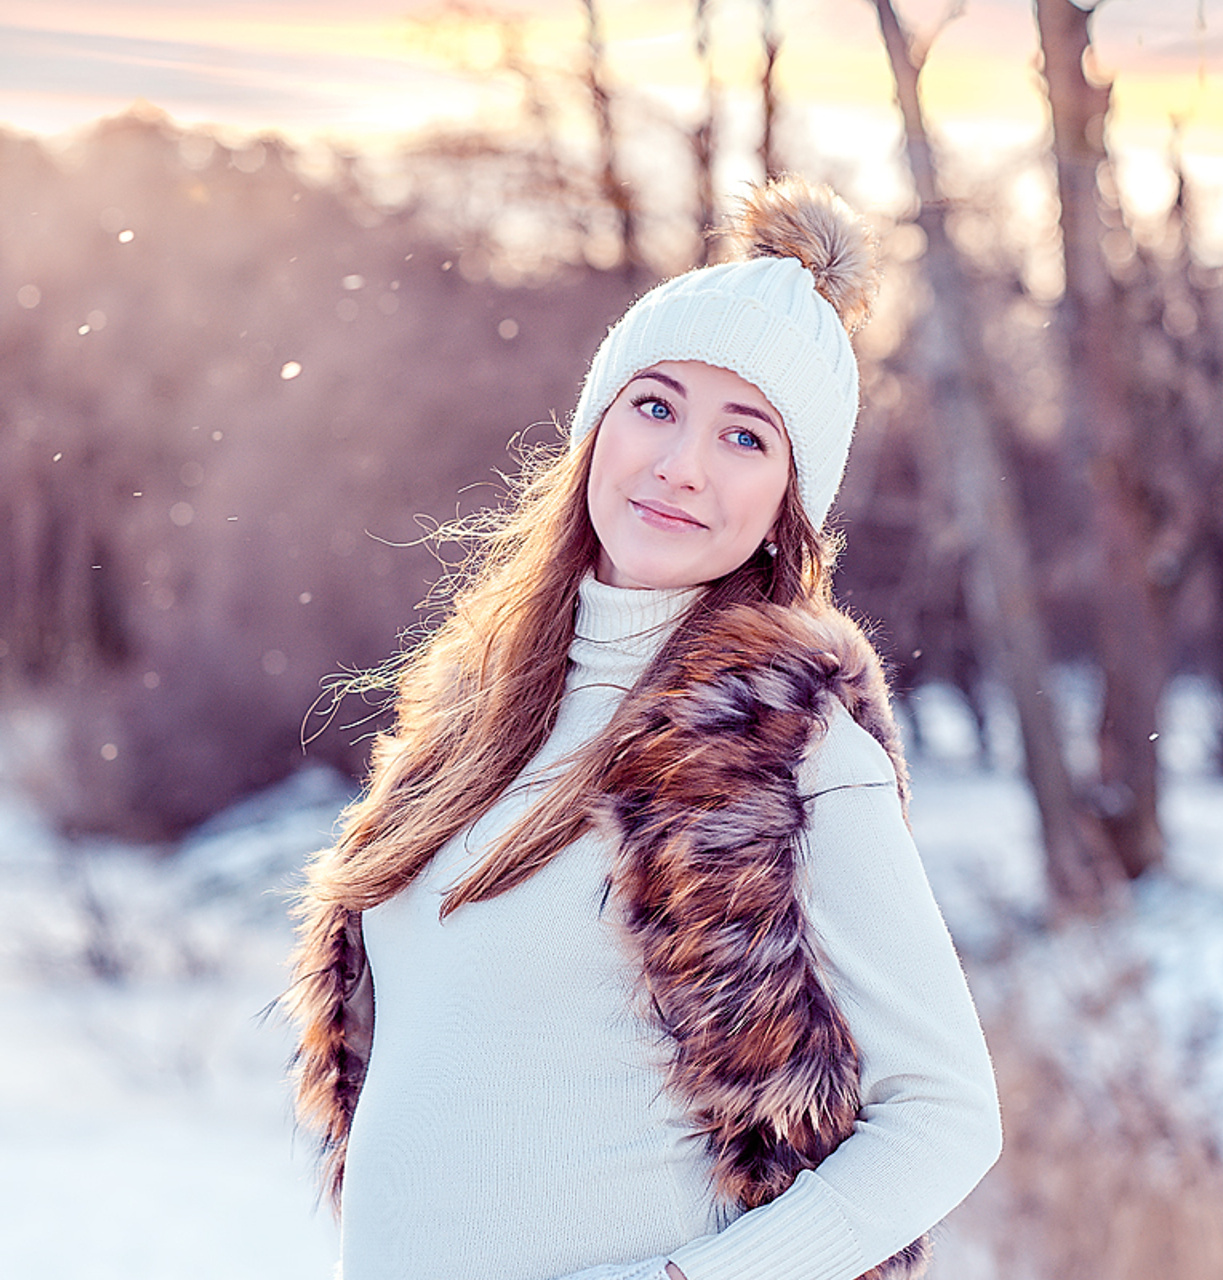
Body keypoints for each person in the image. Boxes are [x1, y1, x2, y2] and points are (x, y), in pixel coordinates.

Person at [286, 176, 1001, 1280]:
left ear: (786, 505)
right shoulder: (479, 712)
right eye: (656, 406)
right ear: (595, 427)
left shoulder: (787, 747)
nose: (681, 465)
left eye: (745, 437)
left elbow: (945, 1111)